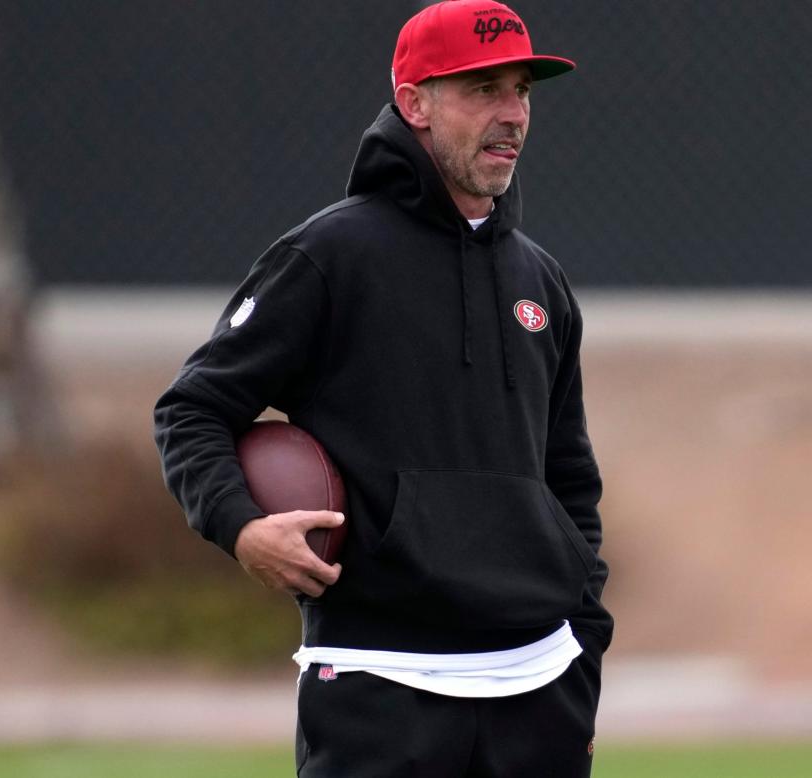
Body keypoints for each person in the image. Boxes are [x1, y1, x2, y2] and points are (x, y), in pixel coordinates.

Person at [153, 1, 612, 774]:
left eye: (522, 91)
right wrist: (240, 527)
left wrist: (583, 652)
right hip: (380, 681)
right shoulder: (329, 256)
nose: (511, 115)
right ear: (414, 104)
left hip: (539, 687)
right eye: (482, 89)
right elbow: (192, 410)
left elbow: (569, 482)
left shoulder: (541, 280)